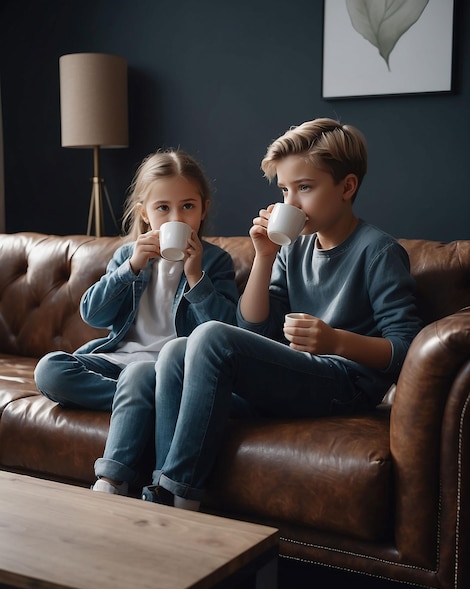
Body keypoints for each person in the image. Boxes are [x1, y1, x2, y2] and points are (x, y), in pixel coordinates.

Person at [141, 118, 423, 512]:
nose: (290, 203)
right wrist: (264, 256)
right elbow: (256, 325)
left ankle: (181, 494)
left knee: (210, 336)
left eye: (304, 188)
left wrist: (336, 341)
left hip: (344, 385)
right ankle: (158, 489)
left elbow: (407, 347)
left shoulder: (378, 252)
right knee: (176, 352)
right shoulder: (292, 250)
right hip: (299, 375)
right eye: (285, 190)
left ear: (347, 187)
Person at [34, 149, 239, 496]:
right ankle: (144, 398)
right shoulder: (127, 256)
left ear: (203, 209)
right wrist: (130, 268)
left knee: (142, 375)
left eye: (187, 206)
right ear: (145, 213)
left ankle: (112, 481)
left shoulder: (216, 262)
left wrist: (195, 276)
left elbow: (224, 330)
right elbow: (92, 314)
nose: (177, 217)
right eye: (163, 208)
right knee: (49, 370)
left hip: (172, 373)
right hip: (119, 361)